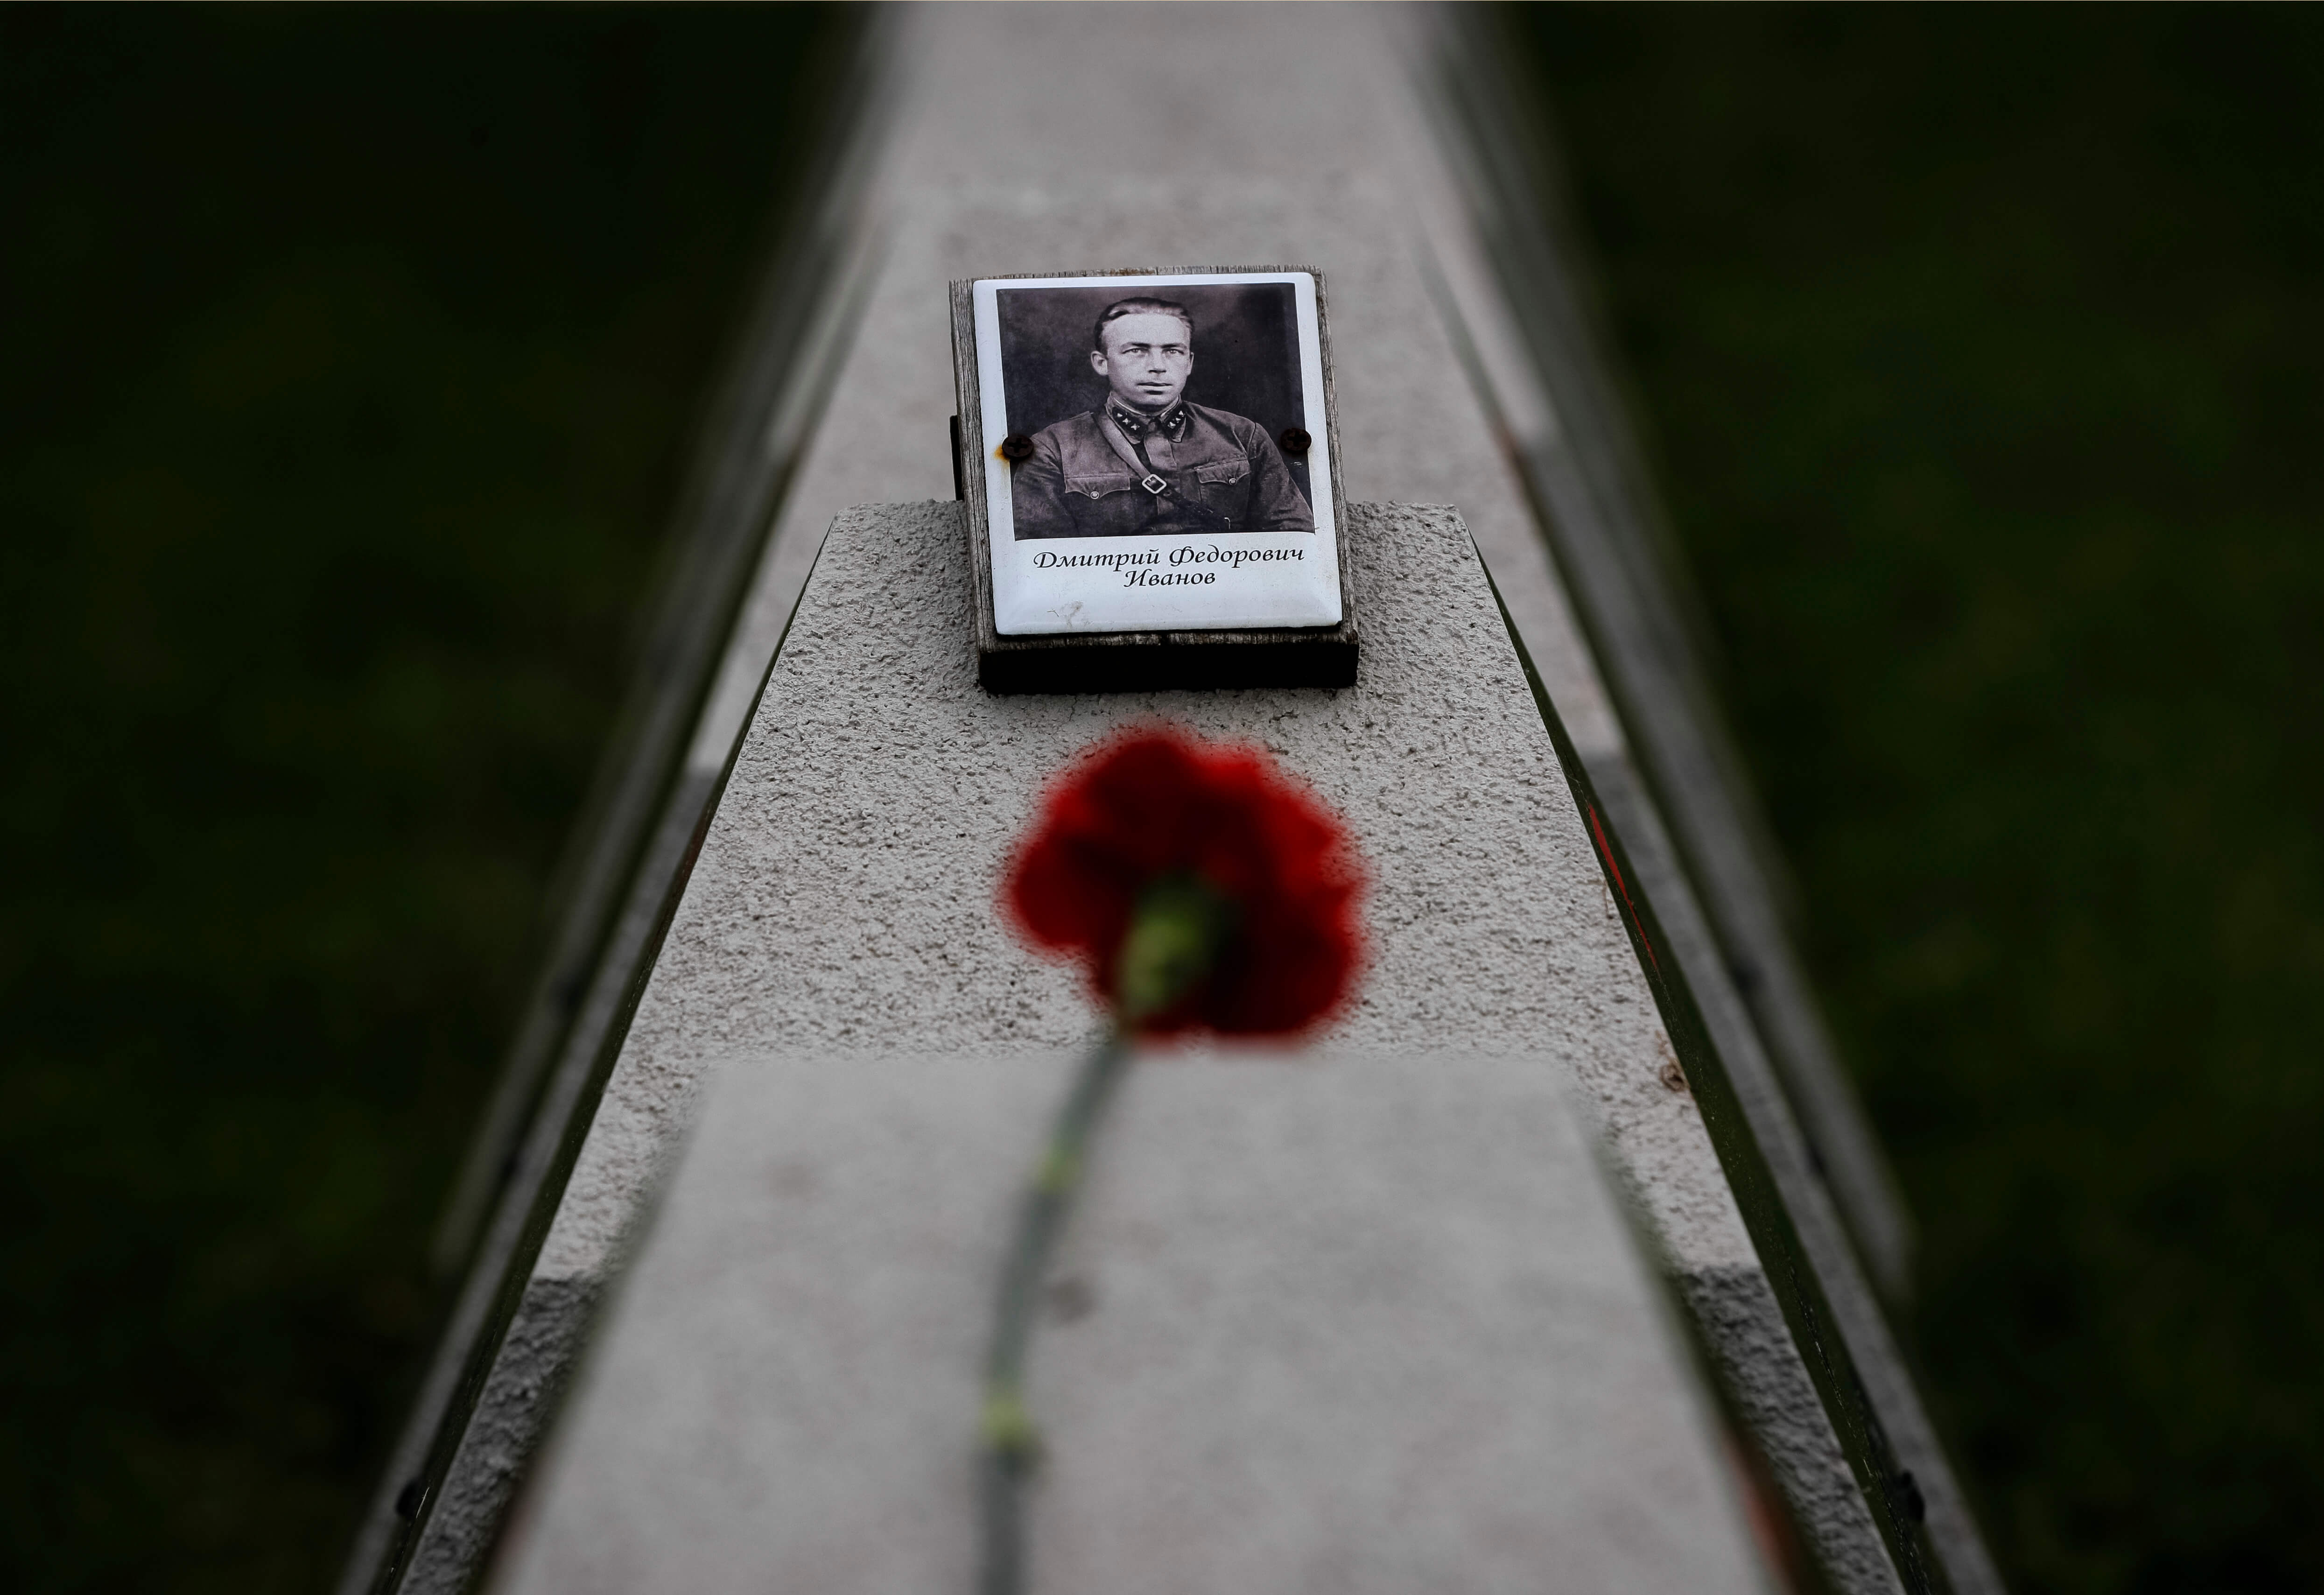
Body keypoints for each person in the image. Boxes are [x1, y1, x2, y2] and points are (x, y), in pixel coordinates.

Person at [1010, 297, 1314, 539]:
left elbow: (1293, 537)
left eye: (1172, 351)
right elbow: (1042, 561)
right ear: (1101, 363)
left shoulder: (1242, 436)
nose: (1157, 366)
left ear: (1189, 362)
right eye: (1136, 351)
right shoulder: (1053, 449)